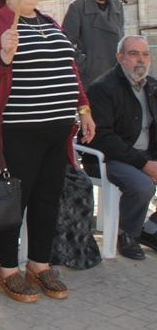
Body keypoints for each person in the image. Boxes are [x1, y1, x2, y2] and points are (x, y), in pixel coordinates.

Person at [0, 0, 96, 303]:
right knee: (12, 202)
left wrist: (83, 108)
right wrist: (3, 55)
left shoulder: (50, 23)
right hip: (18, 132)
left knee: (47, 200)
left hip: (57, 132)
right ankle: (6, 271)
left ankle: (39, 264)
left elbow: (70, 71)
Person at [86, 35, 157, 260]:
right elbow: (103, 138)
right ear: (120, 57)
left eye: (145, 54)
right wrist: (144, 164)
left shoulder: (152, 86)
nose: (141, 60)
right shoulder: (102, 88)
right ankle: (127, 234)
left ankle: (150, 229)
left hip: (147, 155)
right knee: (142, 186)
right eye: (133, 54)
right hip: (111, 158)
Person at [62, 0, 124, 87]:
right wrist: (84, 65)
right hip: (91, 78)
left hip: (115, 73)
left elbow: (121, 36)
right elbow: (65, 43)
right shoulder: (77, 6)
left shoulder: (117, 4)